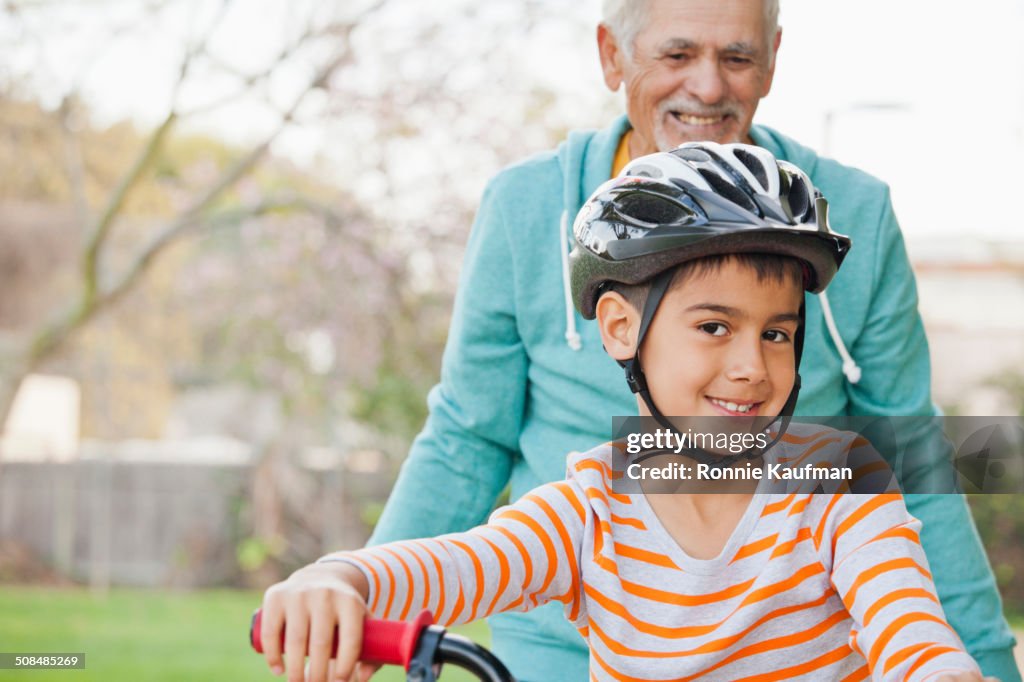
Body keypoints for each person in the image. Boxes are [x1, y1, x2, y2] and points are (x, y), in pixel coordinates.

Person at [260, 144, 991, 682]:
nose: (751, 366)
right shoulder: (591, 512)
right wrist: (341, 581)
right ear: (618, 329)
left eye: (778, 333)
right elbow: (459, 563)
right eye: (714, 327)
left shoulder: (836, 484)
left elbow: (907, 624)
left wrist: (939, 669)